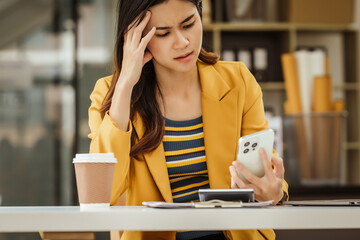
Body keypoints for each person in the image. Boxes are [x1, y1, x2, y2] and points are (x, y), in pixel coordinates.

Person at [88, 0, 288, 239]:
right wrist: (125, 87)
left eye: (189, 24)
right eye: (163, 33)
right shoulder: (111, 94)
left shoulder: (238, 81)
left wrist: (274, 192)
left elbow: (264, 169)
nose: (183, 42)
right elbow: (100, 196)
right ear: (136, 38)